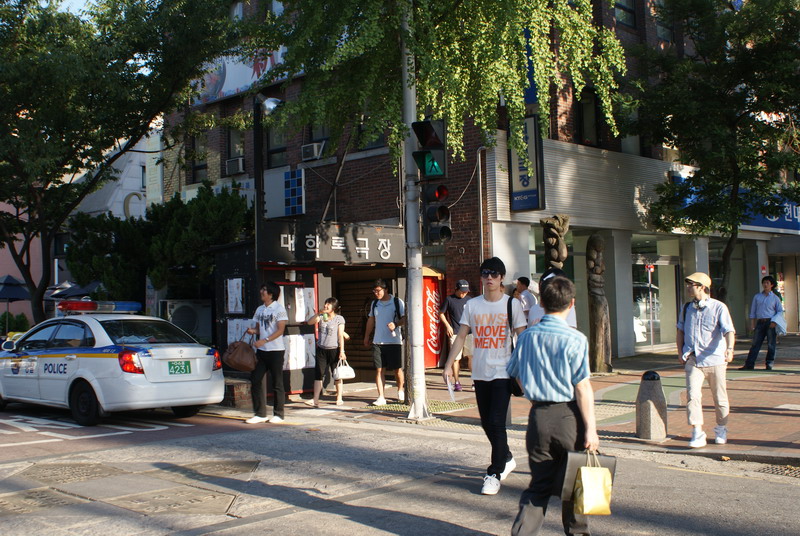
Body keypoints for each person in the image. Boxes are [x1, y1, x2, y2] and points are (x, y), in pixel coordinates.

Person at [507, 275, 598, 536]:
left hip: (539, 415)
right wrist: (591, 429)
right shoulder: (576, 339)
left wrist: (532, 389)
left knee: (539, 484)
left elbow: (514, 372)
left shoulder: (526, 338)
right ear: (571, 304)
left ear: (542, 303)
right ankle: (577, 532)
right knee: (575, 482)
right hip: (569, 415)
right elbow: (582, 387)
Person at [443, 257, 526, 496]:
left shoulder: (512, 305)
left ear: (501, 278)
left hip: (503, 371)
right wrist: (449, 364)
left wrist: (524, 367)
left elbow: (523, 336)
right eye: (485, 274)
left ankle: (494, 472)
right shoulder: (473, 305)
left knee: (497, 422)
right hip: (479, 372)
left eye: (494, 274)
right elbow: (461, 336)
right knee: (487, 422)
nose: (489, 278)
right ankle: (507, 457)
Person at [677, 272, 735, 448]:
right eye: (687, 284)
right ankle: (697, 431)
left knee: (720, 398)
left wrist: (730, 349)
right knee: (692, 396)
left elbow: (729, 330)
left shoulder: (719, 307)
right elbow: (680, 330)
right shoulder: (686, 308)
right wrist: (680, 352)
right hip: (693, 359)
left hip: (715, 359)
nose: (688, 287)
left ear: (702, 287)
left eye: (691, 285)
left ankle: (721, 427)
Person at [245, 282, 288, 424]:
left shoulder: (279, 309)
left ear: (271, 294)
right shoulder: (259, 309)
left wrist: (264, 340)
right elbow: (260, 329)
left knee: (277, 383)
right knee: (255, 379)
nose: (261, 291)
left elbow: (280, 330)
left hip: (276, 350)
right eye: (262, 289)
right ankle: (260, 413)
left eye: (264, 290)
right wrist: (253, 332)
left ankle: (279, 414)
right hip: (261, 351)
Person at [363, 279, 405, 406]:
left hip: (394, 341)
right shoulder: (374, 303)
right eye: (374, 291)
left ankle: (400, 390)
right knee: (379, 370)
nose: (376, 293)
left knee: (397, 369)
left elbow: (405, 318)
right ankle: (381, 397)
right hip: (377, 341)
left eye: (378, 290)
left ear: (386, 289)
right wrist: (366, 336)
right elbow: (371, 320)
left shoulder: (397, 302)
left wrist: (396, 324)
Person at [306, 297, 347, 407]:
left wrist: (342, 351)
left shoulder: (339, 319)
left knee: (337, 374)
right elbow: (309, 322)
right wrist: (318, 313)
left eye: (328, 304)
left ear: (334, 307)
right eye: (325, 303)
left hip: (334, 349)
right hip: (321, 349)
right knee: (318, 374)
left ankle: (339, 398)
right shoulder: (321, 316)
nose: (326, 306)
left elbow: (340, 335)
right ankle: (315, 400)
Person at [740, 275, 783, 370]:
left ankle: (769, 364)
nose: (765, 285)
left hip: (770, 322)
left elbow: (780, 311)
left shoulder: (775, 298)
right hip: (760, 322)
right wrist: (752, 324)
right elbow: (753, 311)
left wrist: (775, 322)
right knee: (755, 343)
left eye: (767, 283)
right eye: (764, 283)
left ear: (772, 285)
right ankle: (749, 364)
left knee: (771, 344)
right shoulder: (757, 297)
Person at [439, 279, 473, 391]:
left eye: (466, 291)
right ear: (456, 289)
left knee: (471, 357)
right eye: (462, 291)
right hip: (455, 332)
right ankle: (457, 382)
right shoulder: (449, 299)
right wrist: (448, 326)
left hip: (469, 332)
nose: (464, 293)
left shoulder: (470, 300)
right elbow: (441, 313)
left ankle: (474, 381)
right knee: (455, 358)